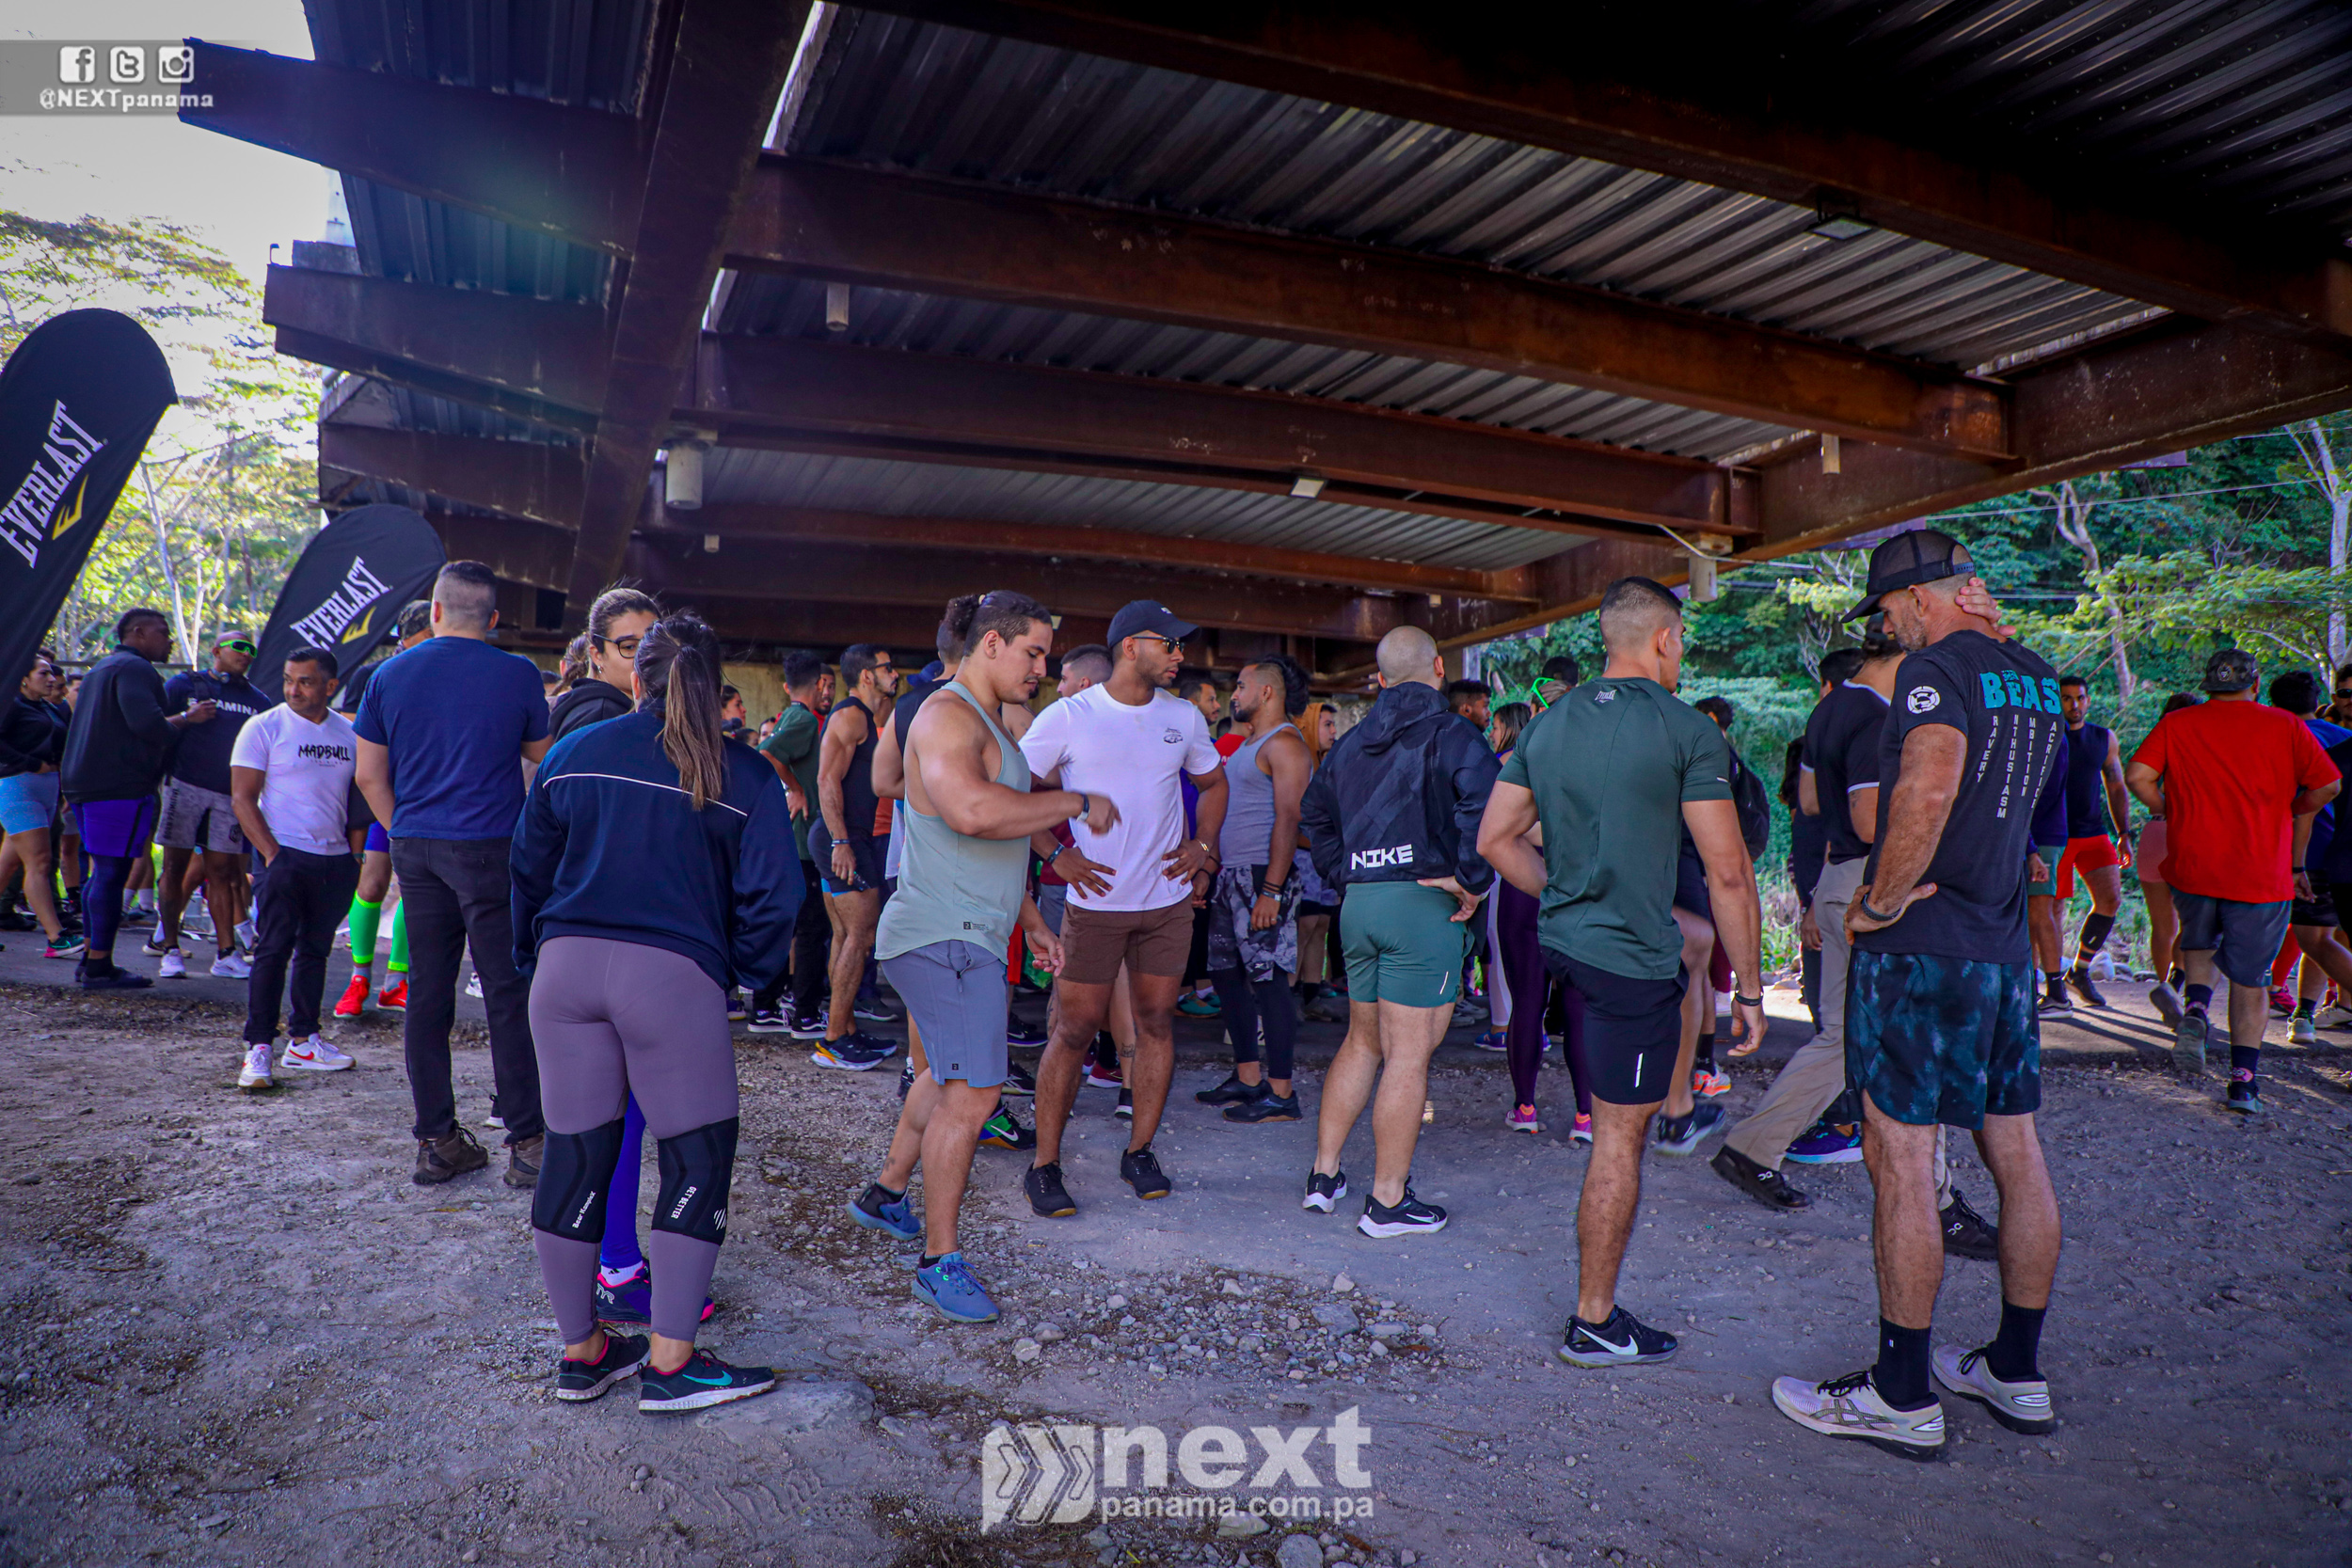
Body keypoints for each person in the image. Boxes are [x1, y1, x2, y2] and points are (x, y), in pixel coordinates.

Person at [1771, 530, 2065, 1460]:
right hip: (2001, 948)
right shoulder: (2035, 676)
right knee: (2016, 1149)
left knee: (1900, 1155)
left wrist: (1878, 899)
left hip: (1922, 948)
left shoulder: (1935, 670)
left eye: (1890, 607)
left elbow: (1929, 788)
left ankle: (1899, 1392)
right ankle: (2014, 1368)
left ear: (1930, 594)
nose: (1886, 625)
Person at [511, 612, 801, 1412]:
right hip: (672, 979)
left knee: (573, 1154)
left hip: (564, 971)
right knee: (695, 1158)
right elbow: (776, 896)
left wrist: (532, 954)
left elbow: (527, 864)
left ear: (635, 677)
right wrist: (740, 974)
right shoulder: (743, 772)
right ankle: (671, 1363)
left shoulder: (573, 751)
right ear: (716, 683)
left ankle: (583, 1351)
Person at [1478, 578, 1763, 1366]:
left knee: (1614, 1122)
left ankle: (1597, 1308)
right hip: (1629, 962)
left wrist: (1562, 892)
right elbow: (1730, 871)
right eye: (1683, 640)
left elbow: (1495, 840)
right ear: (1665, 639)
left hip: (1568, 945)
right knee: (1617, 1137)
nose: (1683, 652)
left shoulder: (1548, 722)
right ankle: (1595, 1319)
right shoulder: (1686, 728)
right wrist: (1750, 987)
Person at [848, 592, 1085, 1323]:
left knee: (946, 1074)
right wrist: (1073, 803)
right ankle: (938, 1261)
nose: (1041, 669)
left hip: (964, 930)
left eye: (1046, 656)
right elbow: (972, 812)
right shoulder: (948, 715)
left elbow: (991, 838)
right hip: (944, 935)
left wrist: (1030, 920)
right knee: (975, 1094)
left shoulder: (988, 721)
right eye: (1032, 652)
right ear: (991, 644)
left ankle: (887, 1194)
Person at [1019, 601, 1227, 1216]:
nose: (1180, 655)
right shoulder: (1070, 715)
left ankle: (1139, 1151)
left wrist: (1203, 847)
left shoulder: (1183, 716)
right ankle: (1044, 1165)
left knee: (1157, 1021)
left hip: (1167, 903)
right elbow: (1013, 793)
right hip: (1095, 906)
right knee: (1074, 1029)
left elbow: (1214, 783)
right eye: (1171, 643)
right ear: (1131, 646)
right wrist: (1056, 854)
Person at [354, 562, 551, 1186]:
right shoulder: (518, 673)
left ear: (434, 610)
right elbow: (541, 757)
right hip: (491, 845)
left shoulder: (388, 675)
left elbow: (368, 776)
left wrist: (405, 829)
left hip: (416, 847)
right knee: (506, 993)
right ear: (492, 618)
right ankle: (529, 1143)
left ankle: (436, 1141)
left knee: (428, 992)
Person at [1303, 626, 1500, 1236]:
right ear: (1439, 668)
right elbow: (1486, 807)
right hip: (1422, 903)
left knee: (1363, 1042)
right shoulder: (1454, 733)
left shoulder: (1350, 743)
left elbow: (1313, 814)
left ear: (1381, 680)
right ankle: (1387, 1202)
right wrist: (1471, 877)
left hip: (1360, 904)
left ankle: (1324, 1177)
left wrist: (1346, 873)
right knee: (1408, 1055)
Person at [1709, 626, 1899, 1211]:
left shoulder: (1828, 712)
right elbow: (1869, 822)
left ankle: (1754, 1147)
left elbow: (1812, 803)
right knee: (1896, 1032)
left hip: (1839, 877)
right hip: (1873, 878)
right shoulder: (1879, 716)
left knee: (1844, 1034)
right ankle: (1927, 1193)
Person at [2127, 650, 2340, 1113]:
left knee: (2199, 941)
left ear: (2208, 685)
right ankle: (2243, 1083)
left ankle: (2196, 1009)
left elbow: (2137, 777)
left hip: (2194, 863)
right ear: (2255, 685)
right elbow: (2328, 786)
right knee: (2250, 980)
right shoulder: (2286, 726)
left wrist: (2169, 808)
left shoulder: (2178, 723)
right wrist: (2291, 809)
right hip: (2261, 870)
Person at [60, 609, 217, 990]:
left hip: (84, 781)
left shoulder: (101, 668)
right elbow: (149, 726)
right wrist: (188, 718)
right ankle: (99, 966)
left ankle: (91, 958)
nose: (170, 641)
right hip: (118, 784)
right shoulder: (135, 669)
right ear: (139, 632)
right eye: (163, 632)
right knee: (112, 873)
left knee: (103, 871)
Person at [228, 647, 363, 1087]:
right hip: (283, 855)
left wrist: (354, 857)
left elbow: (359, 799)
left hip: (335, 860)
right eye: (288, 680)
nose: (293, 689)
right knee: (272, 949)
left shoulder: (350, 734)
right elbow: (242, 798)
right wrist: (272, 855)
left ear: (330, 686)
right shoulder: (263, 726)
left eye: (305, 681)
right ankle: (258, 1048)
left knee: (316, 951)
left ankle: (304, 1041)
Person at [1193, 656, 1314, 1122]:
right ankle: (1248, 1079)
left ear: (1266, 692)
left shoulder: (1286, 744)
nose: (1234, 696)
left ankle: (1281, 1094)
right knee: (1226, 976)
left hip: (1263, 875)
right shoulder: (1249, 744)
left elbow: (1289, 819)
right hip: (1231, 875)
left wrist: (1272, 889)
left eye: (1241, 686)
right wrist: (1209, 868)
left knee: (1269, 981)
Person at [1484, 698, 1593, 1140]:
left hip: (1523, 888)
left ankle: (1525, 1107)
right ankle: (1585, 1117)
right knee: (1579, 1008)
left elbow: (1497, 830)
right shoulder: (1597, 764)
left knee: (1527, 1003)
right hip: (1577, 889)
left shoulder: (1516, 762)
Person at [335, 601, 434, 1018]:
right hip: (380, 793)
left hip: (426, 793)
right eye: (427, 632)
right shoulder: (374, 674)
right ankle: (358, 978)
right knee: (373, 884)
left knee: (414, 884)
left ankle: (396, 981)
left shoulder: (442, 674)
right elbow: (349, 727)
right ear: (407, 635)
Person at [156, 631, 270, 978]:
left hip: (229, 795)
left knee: (222, 872)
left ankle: (226, 955)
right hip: (183, 787)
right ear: (216, 650)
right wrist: (187, 717)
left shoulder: (258, 700)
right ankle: (169, 949)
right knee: (174, 868)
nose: (246, 653)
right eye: (239, 646)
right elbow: (151, 727)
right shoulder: (183, 685)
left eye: (251, 649)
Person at [808, 643, 900, 1069]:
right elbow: (827, 779)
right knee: (861, 937)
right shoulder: (851, 715)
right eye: (887, 668)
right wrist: (841, 842)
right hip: (843, 839)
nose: (894, 674)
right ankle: (832, 1040)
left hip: (844, 837)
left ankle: (843, 1029)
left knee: (847, 936)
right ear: (867, 675)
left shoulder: (865, 717)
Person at [2265, 673, 2352, 1044]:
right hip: (2337, 852)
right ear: (2317, 700)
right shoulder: (2342, 738)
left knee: (2312, 938)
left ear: (2272, 705)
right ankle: (2304, 1014)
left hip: (2295, 852)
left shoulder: (2275, 738)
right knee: (2320, 936)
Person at [751, 649, 834, 1037]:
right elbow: (767, 754)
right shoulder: (803, 718)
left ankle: (767, 1006)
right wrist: (797, 789)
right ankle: (805, 1013)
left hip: (796, 841)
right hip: (804, 842)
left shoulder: (793, 715)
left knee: (790, 928)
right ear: (817, 684)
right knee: (811, 930)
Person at [2041, 675, 2134, 1007]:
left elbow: (2116, 785)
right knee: (2052, 909)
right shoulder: (2047, 736)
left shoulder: (2103, 738)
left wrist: (2124, 834)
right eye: (2067, 698)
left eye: (2079, 698)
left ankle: (2079, 971)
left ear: (2088, 700)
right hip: (2055, 834)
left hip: (2093, 832)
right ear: (2057, 701)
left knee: (2110, 899)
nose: (2074, 705)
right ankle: (2049, 986)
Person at [0, 655, 81, 958]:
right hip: (18, 787)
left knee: (8, 864)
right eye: (43, 673)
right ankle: (56, 937)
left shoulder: (49, 707)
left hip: (47, 790)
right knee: (40, 863)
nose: (51, 679)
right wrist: (32, 764)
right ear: (24, 678)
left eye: (51, 674)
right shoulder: (12, 705)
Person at [2138, 692, 2203, 1021]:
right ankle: (2175, 989)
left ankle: (2166, 989)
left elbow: (2137, 781)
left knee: (2162, 925)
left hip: (2154, 833)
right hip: (2186, 833)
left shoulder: (2155, 747)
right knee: (2194, 922)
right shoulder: (2201, 750)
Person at [548, 588, 660, 742]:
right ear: (597, 655)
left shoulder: (592, 708)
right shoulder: (602, 717)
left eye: (653, 645)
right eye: (629, 647)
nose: (646, 656)